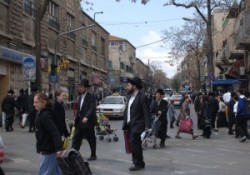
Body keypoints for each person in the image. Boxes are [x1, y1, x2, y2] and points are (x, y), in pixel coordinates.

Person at [122, 77, 151, 171]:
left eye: (129, 85)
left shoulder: (142, 96)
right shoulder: (129, 96)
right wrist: (125, 123)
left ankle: (136, 163)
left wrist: (148, 126)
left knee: (134, 144)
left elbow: (146, 112)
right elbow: (127, 111)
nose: (127, 87)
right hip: (130, 125)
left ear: (135, 86)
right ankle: (140, 162)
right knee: (135, 144)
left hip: (138, 124)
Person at [33, 93, 63, 175]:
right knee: (55, 172)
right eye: (34, 102)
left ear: (43, 103)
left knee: (45, 172)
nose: (34, 104)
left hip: (48, 149)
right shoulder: (41, 114)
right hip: (48, 148)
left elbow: (54, 131)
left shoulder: (45, 115)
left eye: (36, 102)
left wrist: (59, 148)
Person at [72, 79, 97, 161]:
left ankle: (93, 155)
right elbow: (79, 109)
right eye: (79, 86)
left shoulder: (91, 96)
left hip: (88, 122)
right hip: (79, 122)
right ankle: (74, 153)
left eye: (81, 87)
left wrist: (87, 117)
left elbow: (92, 108)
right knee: (76, 138)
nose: (80, 88)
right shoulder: (80, 97)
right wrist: (76, 117)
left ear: (86, 88)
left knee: (91, 139)